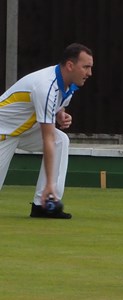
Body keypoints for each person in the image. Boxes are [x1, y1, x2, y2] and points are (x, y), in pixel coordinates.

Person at [0, 43, 93, 219]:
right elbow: (47, 138)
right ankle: (49, 190)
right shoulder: (46, 86)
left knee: (61, 140)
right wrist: (50, 182)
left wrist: (60, 114)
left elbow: (57, 108)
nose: (89, 73)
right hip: (3, 133)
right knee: (53, 139)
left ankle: (44, 205)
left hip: (23, 130)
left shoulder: (68, 86)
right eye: (86, 67)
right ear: (70, 66)